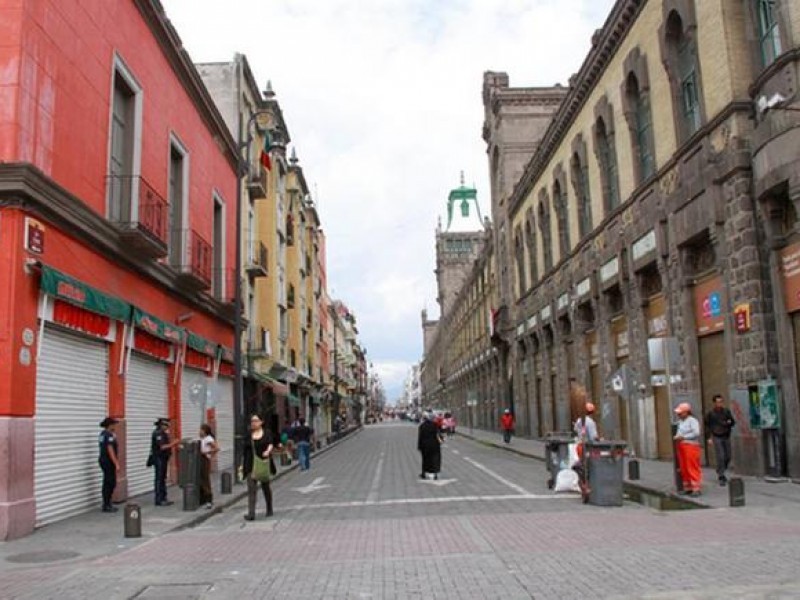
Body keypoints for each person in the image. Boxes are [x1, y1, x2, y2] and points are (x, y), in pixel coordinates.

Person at [243, 413, 274, 520]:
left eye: (256, 421)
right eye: (252, 421)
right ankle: (251, 513)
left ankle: (269, 508)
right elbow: (244, 450)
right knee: (251, 489)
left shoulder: (267, 433)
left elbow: (270, 443)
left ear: (261, 422)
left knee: (266, 487)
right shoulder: (248, 435)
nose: (253, 423)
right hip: (250, 464)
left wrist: (268, 451)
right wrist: (242, 466)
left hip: (263, 463)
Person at [704, 394, 736, 486]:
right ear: (714, 403)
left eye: (721, 402)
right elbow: (707, 426)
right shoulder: (710, 414)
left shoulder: (726, 412)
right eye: (717, 402)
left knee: (728, 456)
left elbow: (732, 422)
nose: (719, 404)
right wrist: (709, 437)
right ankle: (721, 475)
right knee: (720, 456)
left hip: (726, 435)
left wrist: (728, 423)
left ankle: (721, 469)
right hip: (716, 435)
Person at [674, 402, 703, 497]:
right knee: (684, 467)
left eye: (680, 413)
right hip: (682, 445)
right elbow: (679, 432)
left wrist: (683, 437)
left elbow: (696, 433)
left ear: (686, 412)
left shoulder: (692, 421)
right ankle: (688, 487)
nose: (678, 414)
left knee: (692, 466)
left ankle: (696, 488)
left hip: (691, 446)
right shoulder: (680, 422)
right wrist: (677, 437)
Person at [572, 403, 599, 501]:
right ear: (592, 412)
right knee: (588, 468)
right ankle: (586, 487)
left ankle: (583, 485)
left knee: (582, 467)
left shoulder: (579, 420)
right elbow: (593, 437)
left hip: (579, 446)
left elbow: (576, 430)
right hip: (587, 447)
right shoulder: (590, 422)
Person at [151, 418, 180, 506]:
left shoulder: (163, 433)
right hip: (159, 458)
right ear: (161, 425)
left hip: (163, 458)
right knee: (159, 479)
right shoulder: (158, 433)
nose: (168, 426)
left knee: (162, 478)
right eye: (166, 425)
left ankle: (163, 497)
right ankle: (159, 499)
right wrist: (174, 443)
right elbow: (162, 447)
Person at [98, 417, 120, 513]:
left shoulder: (103, 434)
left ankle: (107, 503)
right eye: (114, 424)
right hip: (108, 461)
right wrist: (116, 463)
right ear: (110, 425)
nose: (115, 426)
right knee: (110, 482)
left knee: (107, 481)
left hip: (104, 460)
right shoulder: (109, 435)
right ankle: (106, 504)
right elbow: (110, 449)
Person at [417, 412, 443, 480]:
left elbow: (420, 437)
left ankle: (423, 473)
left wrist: (419, 446)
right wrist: (441, 441)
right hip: (435, 445)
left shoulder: (422, 426)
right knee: (435, 459)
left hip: (425, 446)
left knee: (425, 459)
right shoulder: (435, 425)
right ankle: (435, 474)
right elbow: (439, 434)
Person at [199, 424, 219, 509]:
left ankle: (209, 500)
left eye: (201, 430)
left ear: (205, 431)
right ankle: (202, 498)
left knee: (205, 479)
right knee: (201, 479)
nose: (199, 432)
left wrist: (208, 453)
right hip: (200, 460)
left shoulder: (208, 439)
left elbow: (216, 448)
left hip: (204, 459)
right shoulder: (202, 439)